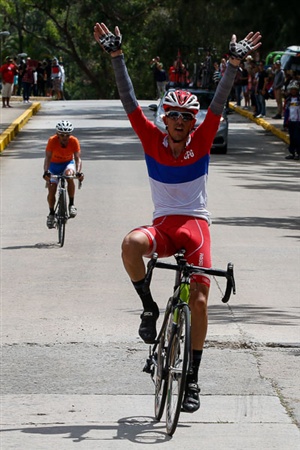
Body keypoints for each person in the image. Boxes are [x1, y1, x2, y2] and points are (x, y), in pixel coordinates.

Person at [94, 21, 261, 413]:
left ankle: (193, 381)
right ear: (164, 118)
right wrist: (117, 57)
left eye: (188, 117)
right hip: (164, 225)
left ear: (193, 122)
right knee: (130, 244)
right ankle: (150, 308)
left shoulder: (202, 139)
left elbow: (219, 101)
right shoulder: (150, 138)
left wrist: (233, 65)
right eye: (174, 116)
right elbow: (128, 100)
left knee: (200, 302)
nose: (181, 123)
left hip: (196, 226)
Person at [43, 120, 84, 228]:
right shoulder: (52, 140)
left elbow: (78, 159)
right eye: (62, 135)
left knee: (69, 175)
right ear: (57, 134)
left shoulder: (74, 141)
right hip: (53, 165)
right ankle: (51, 214)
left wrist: (79, 172)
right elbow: (47, 158)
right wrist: (46, 172)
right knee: (52, 189)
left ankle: (71, 204)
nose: (65, 138)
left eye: (67, 135)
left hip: (67, 163)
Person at [283, 81, 300, 160]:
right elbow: (286, 111)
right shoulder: (288, 99)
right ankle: (292, 153)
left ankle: (298, 153)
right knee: (292, 138)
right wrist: (285, 122)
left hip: (298, 121)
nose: (293, 91)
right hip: (291, 121)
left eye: (295, 89)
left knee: (297, 138)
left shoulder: (299, 99)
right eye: (292, 89)